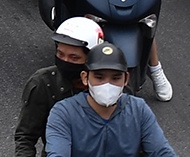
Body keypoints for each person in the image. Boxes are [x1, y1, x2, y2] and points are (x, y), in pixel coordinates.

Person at [45, 42, 176, 157]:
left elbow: (162, 151)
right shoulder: (63, 113)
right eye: (99, 77)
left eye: (115, 78)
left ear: (126, 79)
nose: (107, 85)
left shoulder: (139, 110)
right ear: (85, 78)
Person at [16, 19, 107, 157]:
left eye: (74, 58)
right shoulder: (43, 82)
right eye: (60, 54)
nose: (65, 61)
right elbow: (26, 137)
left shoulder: (111, 85)